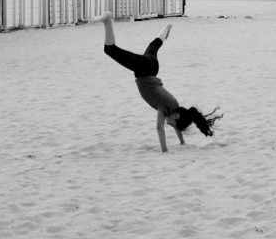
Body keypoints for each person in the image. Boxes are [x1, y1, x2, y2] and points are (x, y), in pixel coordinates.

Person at [95, 12, 222, 152]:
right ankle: (107, 19)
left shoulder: (174, 106)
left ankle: (165, 31)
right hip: (144, 70)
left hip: (153, 67)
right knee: (110, 50)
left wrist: (182, 142)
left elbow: (176, 125)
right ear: (176, 116)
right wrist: (164, 150)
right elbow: (159, 128)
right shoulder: (165, 108)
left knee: (153, 46)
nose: (169, 125)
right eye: (172, 124)